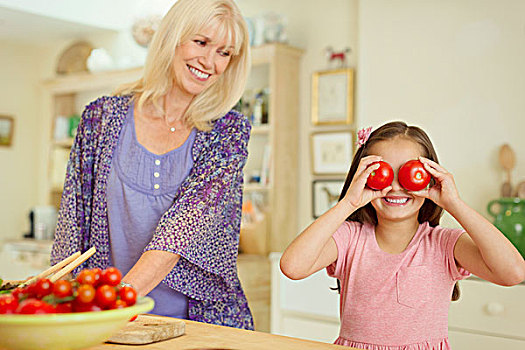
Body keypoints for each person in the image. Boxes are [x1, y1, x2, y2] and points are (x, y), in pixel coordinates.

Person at [50, 0, 254, 329]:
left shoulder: (228, 132)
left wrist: (112, 306)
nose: (210, 62)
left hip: (194, 325)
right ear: (172, 38)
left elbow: (182, 229)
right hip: (105, 319)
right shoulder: (101, 119)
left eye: (224, 53)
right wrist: (64, 308)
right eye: (201, 42)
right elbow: (71, 227)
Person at [280, 121, 525, 349]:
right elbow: (293, 266)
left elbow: (513, 273)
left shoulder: (443, 244)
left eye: (409, 173)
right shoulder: (350, 239)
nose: (396, 186)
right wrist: (348, 203)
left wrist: (455, 203)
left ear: (430, 178)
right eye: (382, 173)